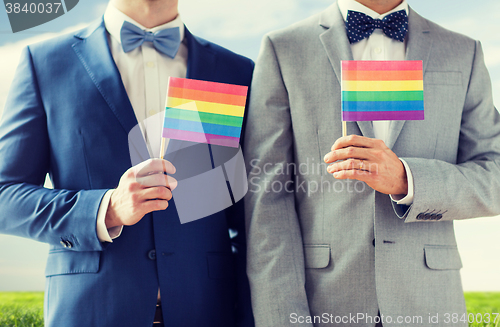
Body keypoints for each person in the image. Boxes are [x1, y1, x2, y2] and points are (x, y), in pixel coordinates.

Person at [244, 0, 500, 326]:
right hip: (323, 304)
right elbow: (267, 198)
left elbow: (495, 175)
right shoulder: (284, 48)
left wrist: (408, 180)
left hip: (431, 304)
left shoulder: (464, 50)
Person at [0, 0, 254, 326]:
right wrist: (106, 209)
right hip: (90, 311)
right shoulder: (46, 62)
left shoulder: (235, 71)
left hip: (208, 312)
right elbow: (6, 196)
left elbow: (252, 216)